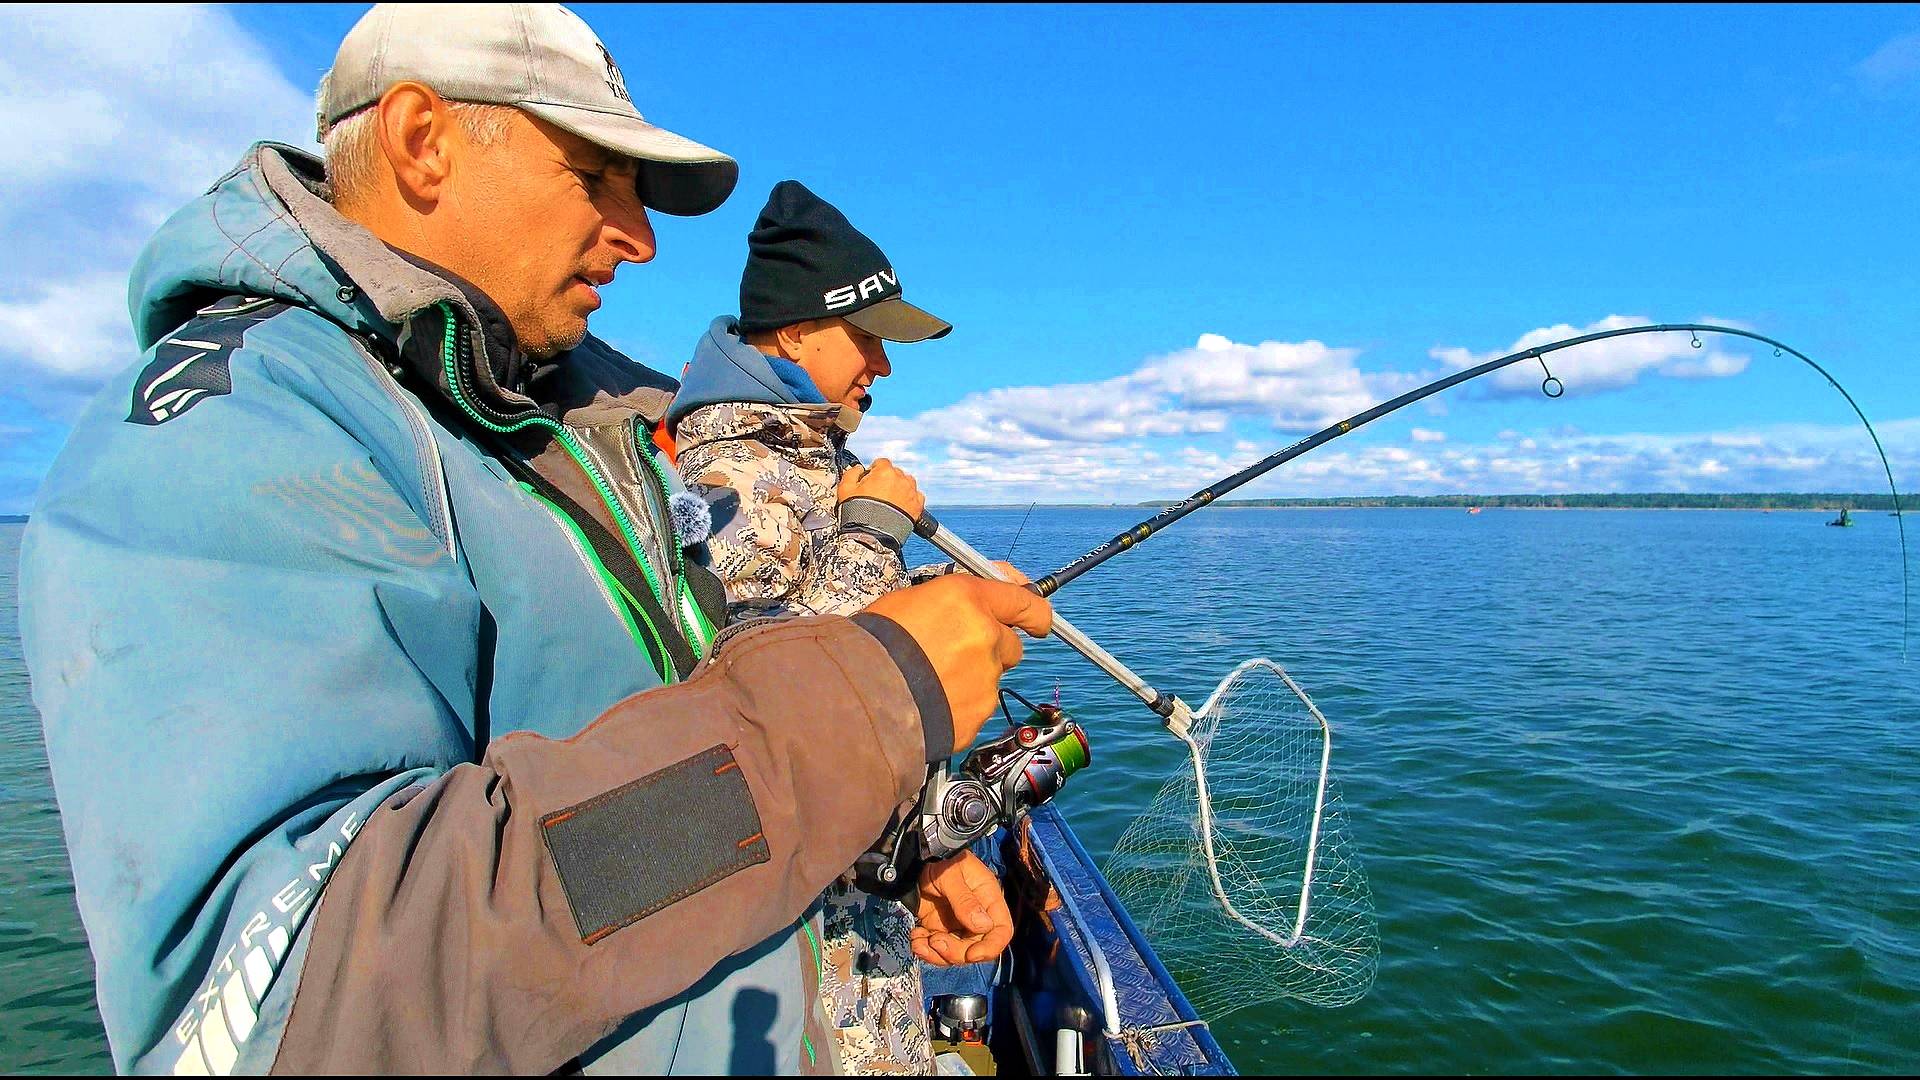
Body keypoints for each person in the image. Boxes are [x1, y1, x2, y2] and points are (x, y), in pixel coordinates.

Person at [16, 5, 1049, 1076]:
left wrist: (879, 834)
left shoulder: (582, 412)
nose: (643, 240)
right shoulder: (232, 434)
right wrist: (859, 710)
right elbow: (313, 995)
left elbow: (678, 732)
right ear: (424, 141)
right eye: (597, 178)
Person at [668, 180, 1002, 1074]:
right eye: (868, 339)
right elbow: (766, 702)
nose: (884, 366)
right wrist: (870, 537)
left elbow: (821, 620)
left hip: (859, 912)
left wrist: (955, 594)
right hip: (794, 952)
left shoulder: (804, 458)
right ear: (791, 333)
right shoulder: (732, 473)